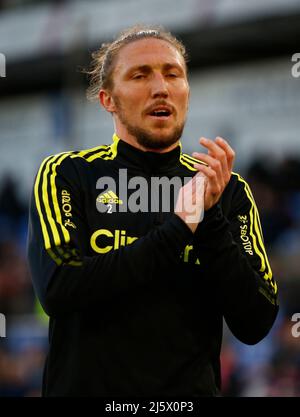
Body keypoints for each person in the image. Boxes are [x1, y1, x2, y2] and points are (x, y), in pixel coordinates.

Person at [27, 25, 279, 397]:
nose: (160, 87)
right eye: (140, 75)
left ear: (186, 93)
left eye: (172, 74)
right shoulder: (67, 174)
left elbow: (256, 321)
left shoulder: (225, 190)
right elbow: (59, 286)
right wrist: (178, 230)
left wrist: (210, 220)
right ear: (108, 100)